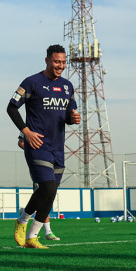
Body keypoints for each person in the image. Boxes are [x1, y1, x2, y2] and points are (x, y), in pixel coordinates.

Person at [7, 45, 80, 249]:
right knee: (46, 187)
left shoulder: (67, 86)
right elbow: (11, 107)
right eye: (57, 62)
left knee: (50, 192)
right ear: (47, 60)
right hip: (37, 145)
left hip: (58, 147)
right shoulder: (32, 82)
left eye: (64, 62)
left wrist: (73, 118)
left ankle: (32, 237)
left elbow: (68, 115)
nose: (61, 66)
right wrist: (26, 131)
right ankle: (22, 221)